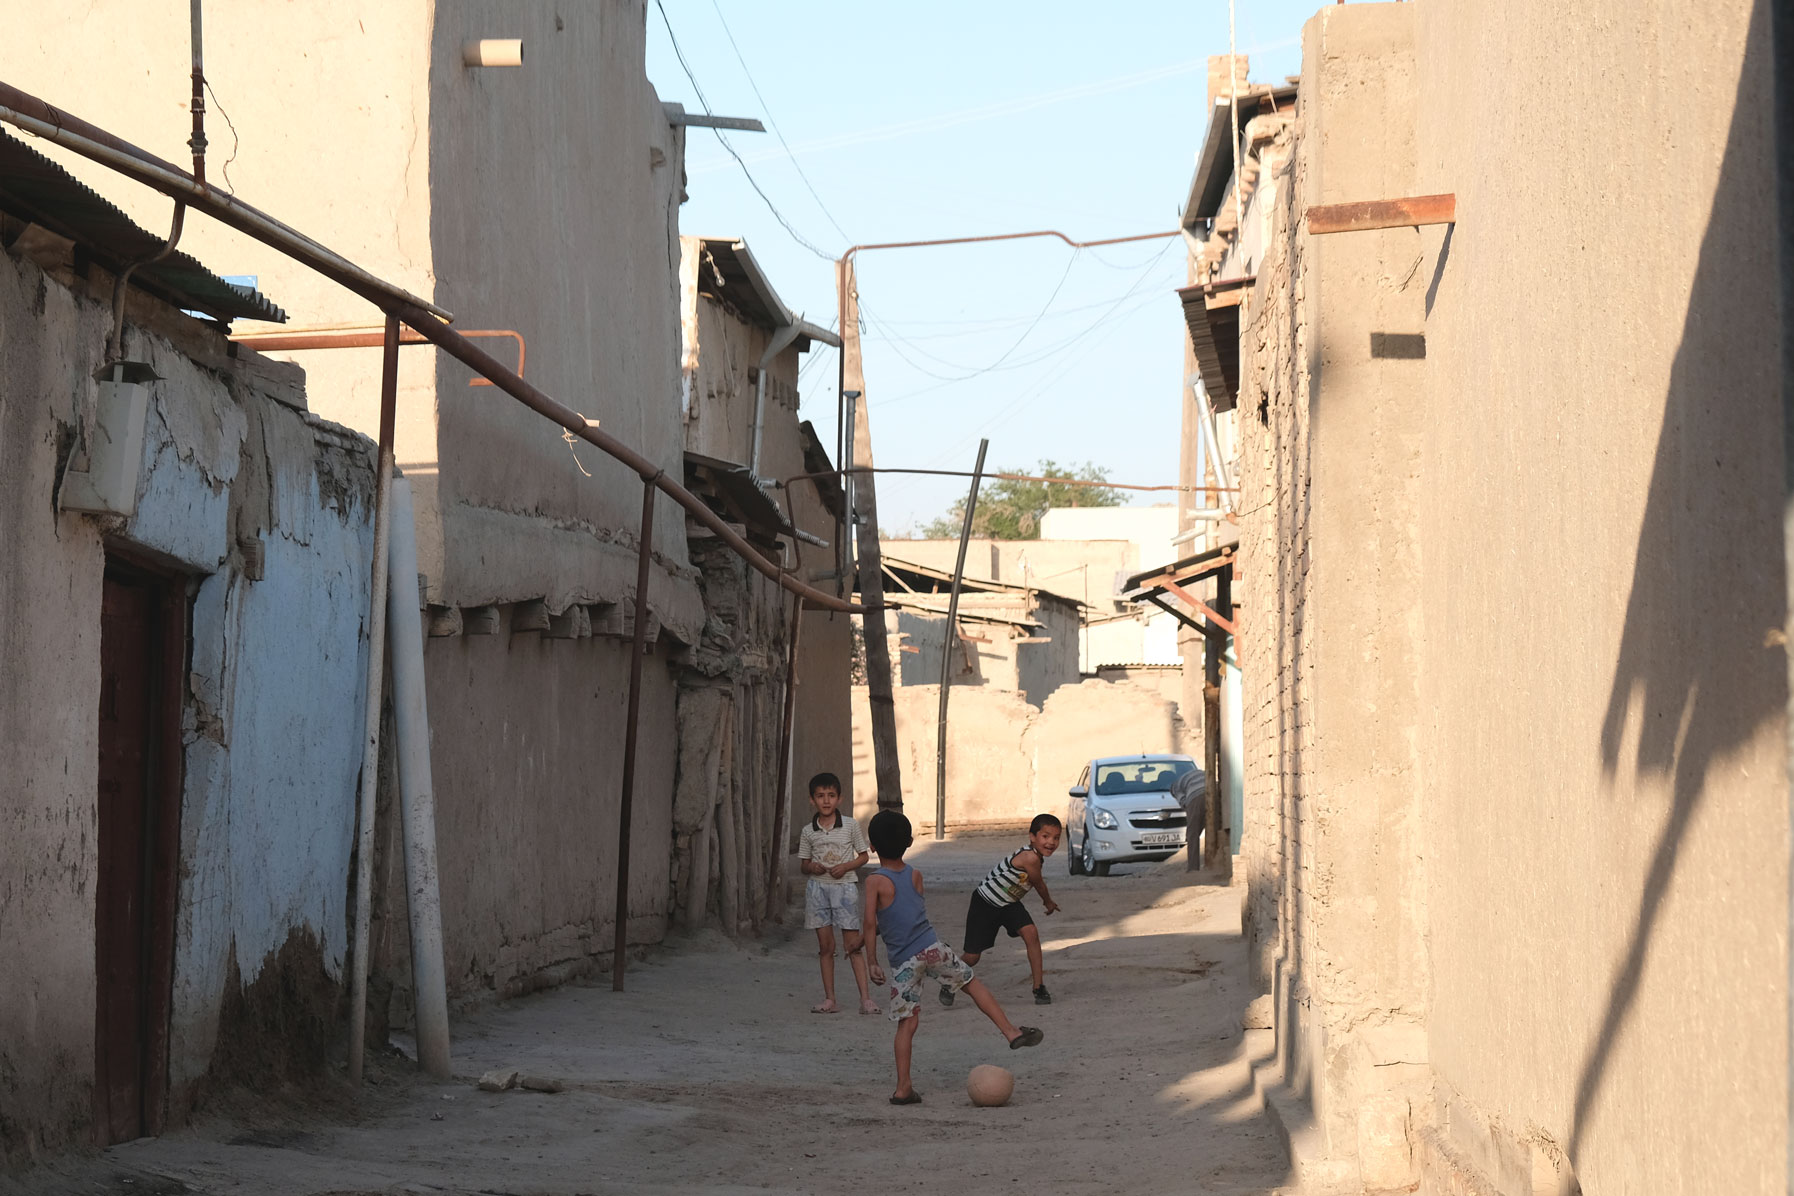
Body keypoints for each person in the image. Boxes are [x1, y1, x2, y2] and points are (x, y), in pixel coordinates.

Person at [862, 809, 1044, 1105]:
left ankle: (903, 1088)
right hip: (932, 949)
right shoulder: (915, 875)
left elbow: (874, 923)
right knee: (972, 984)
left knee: (907, 1024)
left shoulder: (875, 882)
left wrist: (871, 960)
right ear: (909, 842)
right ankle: (1010, 1031)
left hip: (905, 964)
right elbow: (904, 915)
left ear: (872, 846)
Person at [941, 813, 1063, 1008]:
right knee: (972, 956)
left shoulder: (1036, 855)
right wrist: (1048, 902)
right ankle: (949, 978)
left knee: (1031, 933)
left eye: (1056, 837)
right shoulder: (1029, 857)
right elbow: (1038, 884)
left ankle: (1039, 988)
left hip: (1008, 903)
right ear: (1032, 837)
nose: (1051, 842)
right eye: (1046, 836)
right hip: (985, 903)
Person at [796, 772, 879, 1015]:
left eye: (831, 796)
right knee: (825, 946)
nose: (826, 801)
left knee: (853, 945)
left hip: (844, 890)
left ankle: (865, 999)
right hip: (817, 891)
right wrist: (811, 867)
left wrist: (846, 866)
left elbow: (863, 856)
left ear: (839, 798)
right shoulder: (808, 832)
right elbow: (803, 864)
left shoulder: (851, 825)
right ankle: (830, 999)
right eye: (820, 796)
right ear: (812, 800)